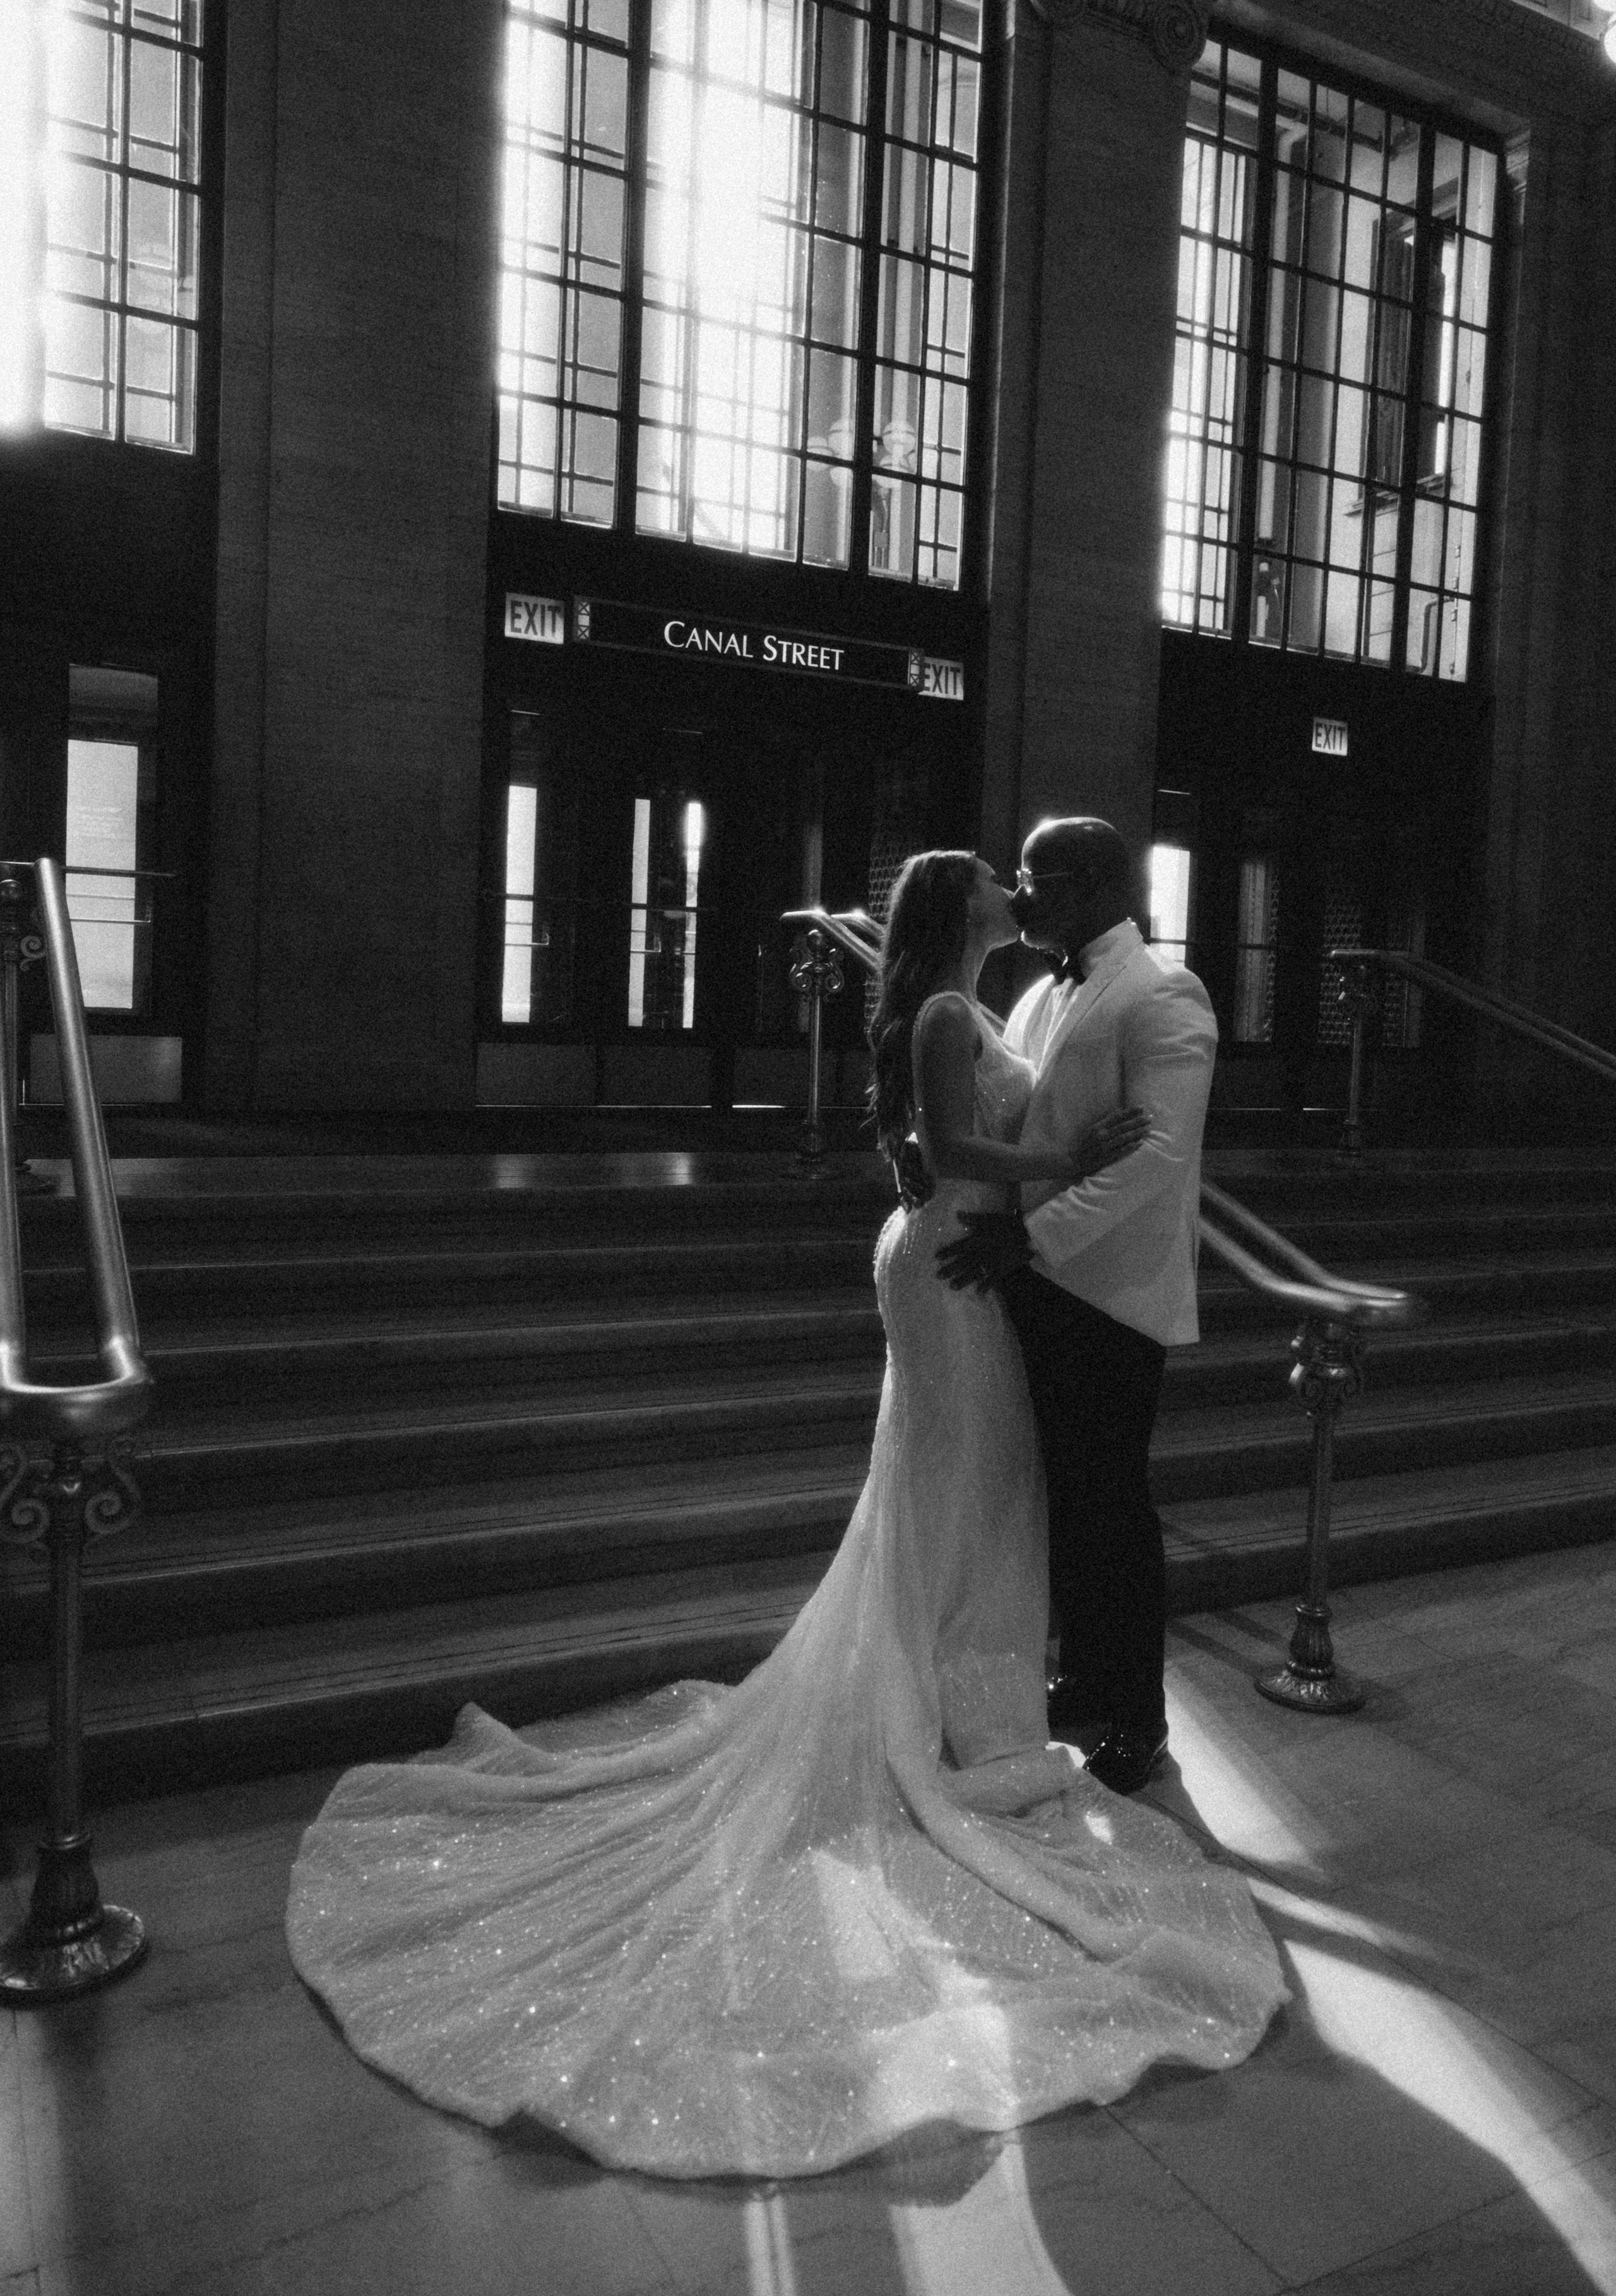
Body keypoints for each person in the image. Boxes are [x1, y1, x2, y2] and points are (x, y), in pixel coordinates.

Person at [286, 850, 1283, 2180]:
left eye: (1032, 873)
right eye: (1001, 880)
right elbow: (953, 1146)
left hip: (990, 1265)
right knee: (959, 1480)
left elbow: (1008, 1135)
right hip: (956, 1263)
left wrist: (1036, 1179)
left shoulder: (1028, 1001)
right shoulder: (955, 1009)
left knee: (979, 1485)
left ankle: (975, 1684)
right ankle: (951, 1695)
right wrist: (1054, 1158)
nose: (1016, 885)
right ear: (962, 911)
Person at [939, 818, 1216, 1798]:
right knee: (1065, 1499)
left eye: (1037, 876)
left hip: (1112, 1295)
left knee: (1114, 1506)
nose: (1021, 894)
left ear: (1096, 883)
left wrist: (1033, 1237)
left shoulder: (1164, 991)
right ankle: (1087, 1674)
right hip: (1035, 1287)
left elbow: (1157, 1157)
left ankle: (1140, 1714)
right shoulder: (1035, 995)